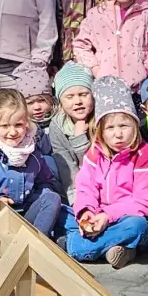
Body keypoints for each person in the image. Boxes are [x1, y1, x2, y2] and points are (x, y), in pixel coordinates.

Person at [66, 77, 148, 268]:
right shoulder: (95, 153)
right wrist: (87, 212)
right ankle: (117, 249)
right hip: (99, 215)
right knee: (64, 212)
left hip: (128, 218)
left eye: (124, 126)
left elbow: (144, 201)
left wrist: (107, 216)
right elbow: (86, 187)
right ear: (100, 130)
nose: (117, 134)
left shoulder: (145, 156)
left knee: (137, 227)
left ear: (134, 126)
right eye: (110, 127)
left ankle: (77, 247)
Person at [0, 88, 64, 235]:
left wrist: (39, 197)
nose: (12, 132)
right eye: (5, 126)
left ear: (26, 122)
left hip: (25, 218)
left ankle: (38, 245)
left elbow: (45, 183)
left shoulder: (33, 154)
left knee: (52, 198)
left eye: (18, 125)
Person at [47, 62, 95, 199]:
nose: (78, 101)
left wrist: (80, 138)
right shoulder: (57, 126)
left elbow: (97, 163)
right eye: (70, 96)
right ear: (60, 100)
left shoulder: (101, 119)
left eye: (84, 94)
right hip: (79, 183)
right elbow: (66, 165)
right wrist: (76, 199)